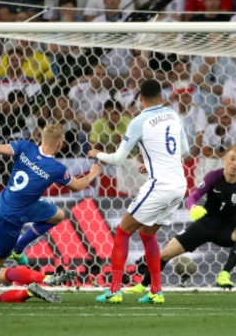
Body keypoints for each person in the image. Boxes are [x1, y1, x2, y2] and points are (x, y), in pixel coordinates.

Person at [0, 123, 102, 304]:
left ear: (41, 138)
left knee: (57, 215)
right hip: (10, 217)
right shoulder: (56, 168)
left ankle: (18, 248)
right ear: (59, 144)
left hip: (26, 204)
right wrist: (93, 173)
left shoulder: (24, 146)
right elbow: (78, 186)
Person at [126, 145, 236, 293]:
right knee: (165, 254)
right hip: (204, 225)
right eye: (232, 159)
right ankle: (143, 285)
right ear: (225, 159)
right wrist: (192, 207)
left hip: (228, 229)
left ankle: (224, 274)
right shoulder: (213, 177)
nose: (235, 163)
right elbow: (194, 196)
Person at [89, 80, 188, 305]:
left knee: (123, 232)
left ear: (140, 99)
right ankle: (156, 291)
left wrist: (97, 153)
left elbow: (118, 159)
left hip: (160, 185)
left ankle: (114, 290)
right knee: (147, 234)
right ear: (161, 96)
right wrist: (152, 162)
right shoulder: (173, 115)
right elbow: (183, 150)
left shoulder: (138, 122)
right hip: (179, 186)